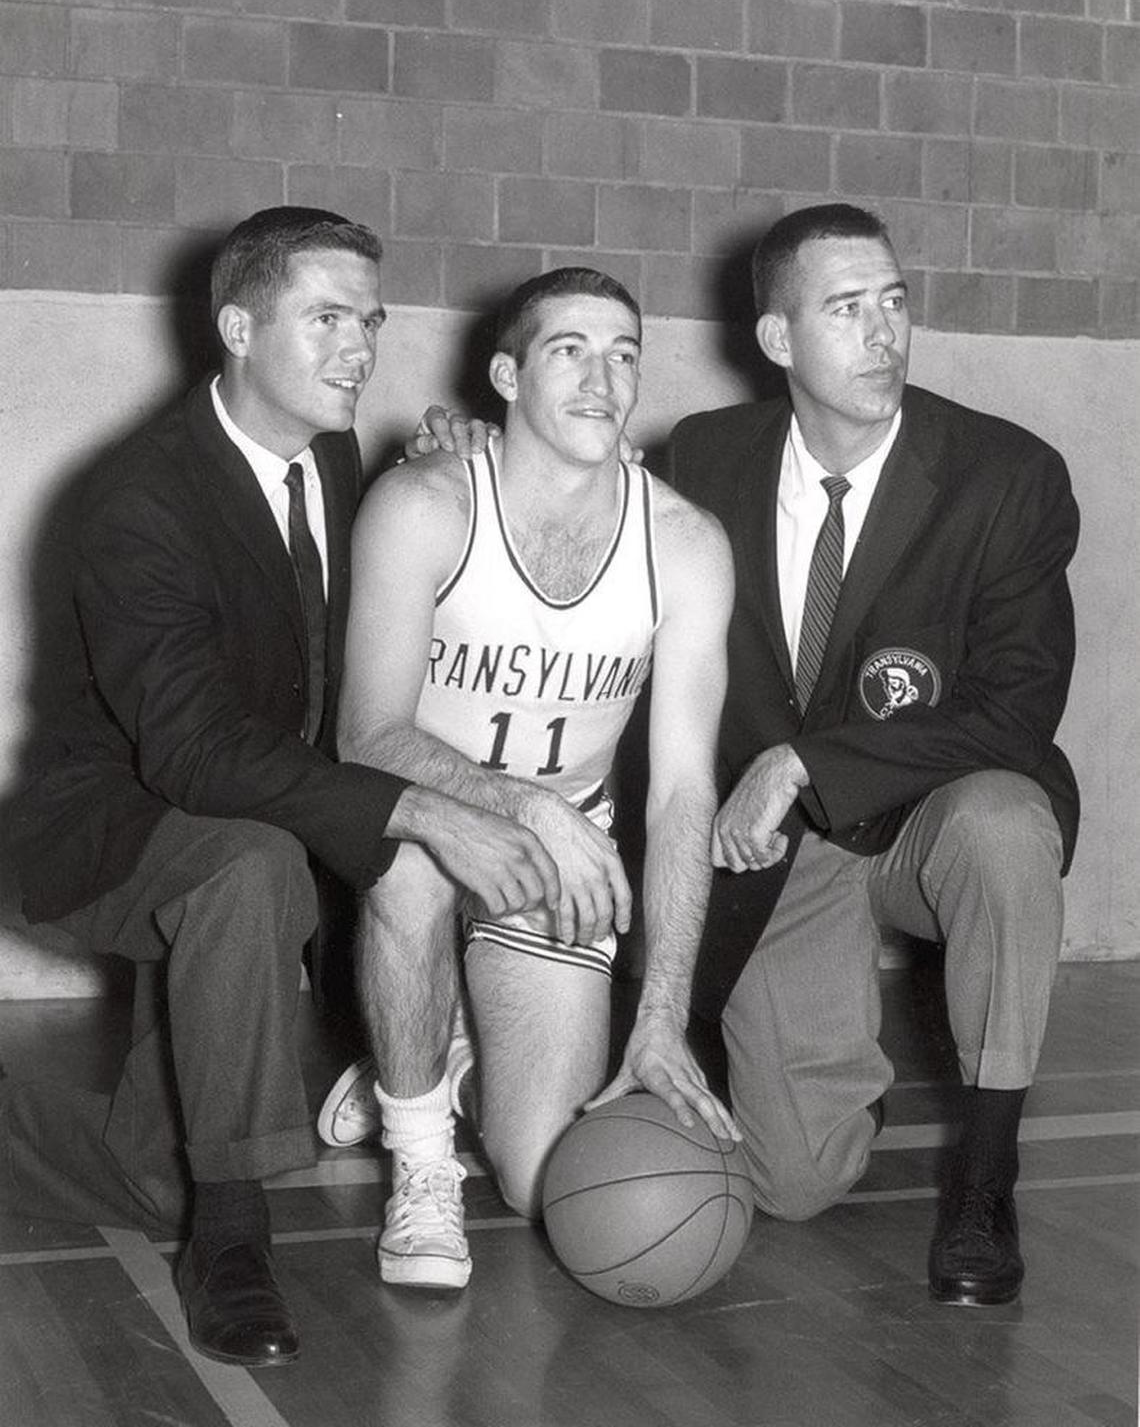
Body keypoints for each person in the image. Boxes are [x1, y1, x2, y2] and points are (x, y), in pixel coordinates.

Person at [413, 204, 1079, 1309]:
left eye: (895, 302)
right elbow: (577, 504)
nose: (884, 333)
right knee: (794, 1183)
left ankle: (985, 1175)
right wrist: (469, 460)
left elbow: (1017, 709)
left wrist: (807, 764)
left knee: (1007, 824)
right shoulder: (708, 457)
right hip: (779, 855)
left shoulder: (1004, 474)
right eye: (846, 308)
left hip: (935, 818)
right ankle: (830, 1082)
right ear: (777, 339)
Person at [0, 207, 560, 1367]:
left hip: (252, 829)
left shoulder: (337, 458)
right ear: (239, 327)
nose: (359, 346)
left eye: (370, 319)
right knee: (250, 870)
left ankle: (161, 1182)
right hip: (114, 824)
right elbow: (195, 750)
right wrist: (421, 810)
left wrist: (445, 482)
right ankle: (235, 1242)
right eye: (326, 318)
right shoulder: (139, 498)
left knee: (161, 1164)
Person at [319, 266, 737, 1290]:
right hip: (425, 807)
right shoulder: (423, 502)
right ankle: (420, 1165)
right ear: (506, 373)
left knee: (541, 1170)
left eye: (625, 354)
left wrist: (663, 1009)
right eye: (570, 350)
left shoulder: (684, 544)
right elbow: (367, 734)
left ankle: (431, 1053)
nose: (604, 378)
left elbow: (683, 789)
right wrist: (528, 805)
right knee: (413, 862)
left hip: (565, 836)